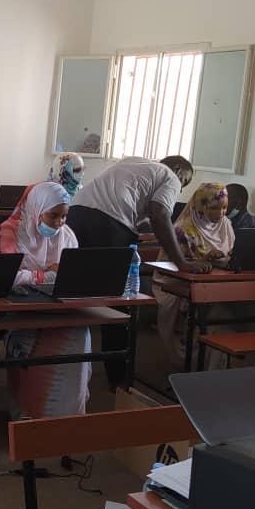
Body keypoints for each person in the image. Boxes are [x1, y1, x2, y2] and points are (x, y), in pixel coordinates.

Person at [66, 155, 206, 386]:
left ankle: (62, 365)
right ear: (179, 170)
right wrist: (182, 262)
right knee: (117, 304)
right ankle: (118, 380)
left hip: (77, 215)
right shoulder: (169, 176)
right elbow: (159, 213)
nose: (180, 188)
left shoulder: (136, 162)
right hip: (109, 228)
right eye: (185, 182)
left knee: (72, 292)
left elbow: (129, 201)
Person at [0, 182, 91, 417]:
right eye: (53, 216)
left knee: (80, 334)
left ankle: (68, 417)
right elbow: (9, 277)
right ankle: (29, 416)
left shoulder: (67, 235)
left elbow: (75, 273)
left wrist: (49, 275)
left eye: (64, 216)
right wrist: (47, 275)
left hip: (60, 309)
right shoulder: (10, 232)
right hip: (21, 311)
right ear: (37, 209)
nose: (59, 223)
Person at [152, 183, 235, 367]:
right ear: (200, 205)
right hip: (180, 283)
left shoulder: (226, 225)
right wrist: (203, 259)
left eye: (224, 208)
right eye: (214, 208)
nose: (220, 213)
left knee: (231, 313)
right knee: (218, 315)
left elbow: (232, 253)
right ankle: (204, 367)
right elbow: (175, 263)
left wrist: (220, 258)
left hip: (218, 282)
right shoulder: (183, 229)